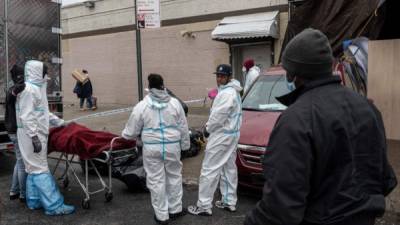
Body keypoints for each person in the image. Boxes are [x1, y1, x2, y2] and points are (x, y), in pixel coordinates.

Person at [244, 28, 397, 225]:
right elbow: (385, 179)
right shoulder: (368, 108)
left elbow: (281, 208)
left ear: (292, 74)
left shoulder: (297, 119)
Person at [121, 73, 190, 225]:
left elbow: (130, 132)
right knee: (174, 176)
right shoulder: (174, 103)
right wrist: (185, 145)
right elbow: (183, 126)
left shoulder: (142, 106)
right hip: (172, 147)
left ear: (149, 87)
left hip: (152, 149)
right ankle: (175, 210)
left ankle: (162, 216)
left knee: (156, 180)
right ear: (162, 85)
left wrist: (125, 136)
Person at [16, 60, 75, 216]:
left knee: (33, 169)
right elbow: (27, 116)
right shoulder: (30, 90)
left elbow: (43, 113)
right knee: (40, 169)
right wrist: (34, 137)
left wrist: (61, 122)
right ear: (37, 72)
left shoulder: (35, 89)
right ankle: (54, 205)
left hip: (32, 134)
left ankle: (34, 201)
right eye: (44, 71)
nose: (46, 75)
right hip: (32, 136)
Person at [188, 64, 242, 216]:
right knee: (229, 168)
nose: (219, 78)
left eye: (222, 76)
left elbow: (218, 116)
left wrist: (207, 129)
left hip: (221, 136)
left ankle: (204, 206)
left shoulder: (226, 94)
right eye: (218, 75)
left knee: (209, 169)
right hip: (232, 135)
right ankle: (229, 201)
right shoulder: (233, 91)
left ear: (229, 76)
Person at [5, 65, 27, 202]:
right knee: (22, 163)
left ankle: (14, 191)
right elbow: (13, 93)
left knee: (19, 161)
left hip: (12, 129)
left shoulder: (12, 88)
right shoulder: (13, 90)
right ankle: (23, 194)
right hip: (15, 130)